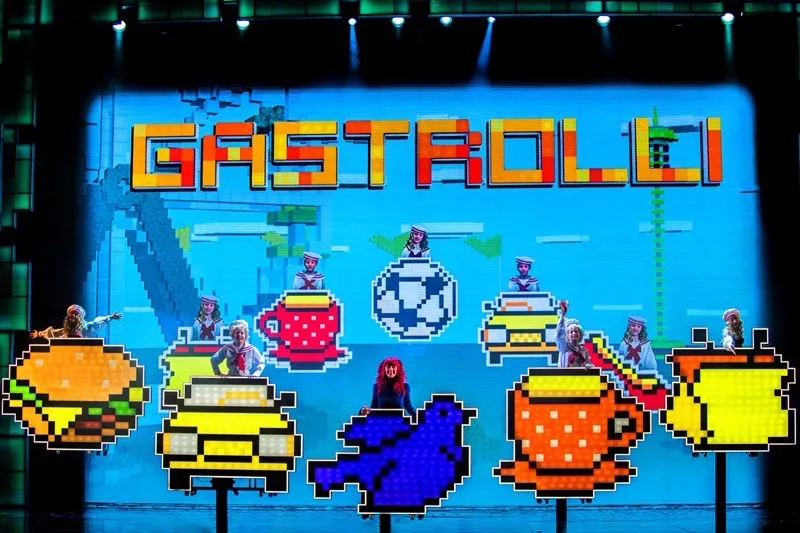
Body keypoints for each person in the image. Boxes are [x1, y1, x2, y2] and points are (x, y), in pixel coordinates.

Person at [360, 357, 416, 421]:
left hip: (399, 421)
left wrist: (418, 416)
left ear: (398, 369)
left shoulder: (405, 386)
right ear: (384, 369)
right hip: (382, 422)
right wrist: (365, 411)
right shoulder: (377, 387)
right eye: (388, 367)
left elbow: (408, 406)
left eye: (393, 367)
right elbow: (374, 407)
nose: (391, 369)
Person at [30, 304, 123, 339]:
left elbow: (96, 322)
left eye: (76, 314)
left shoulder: (85, 329)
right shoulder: (64, 332)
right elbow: (51, 332)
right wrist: (38, 334)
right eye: (72, 314)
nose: (73, 316)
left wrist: (109, 317)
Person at [555, 300, 591, 368]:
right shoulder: (564, 346)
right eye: (571, 332)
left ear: (580, 334)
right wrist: (563, 315)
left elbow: (588, 364)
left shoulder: (584, 351)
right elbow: (559, 334)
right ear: (567, 335)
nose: (574, 333)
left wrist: (588, 366)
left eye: (576, 331)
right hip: (564, 374)